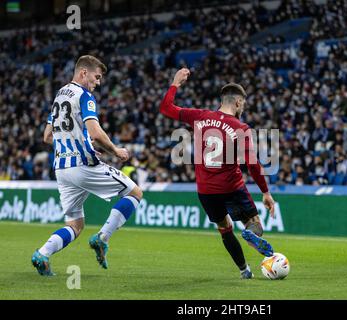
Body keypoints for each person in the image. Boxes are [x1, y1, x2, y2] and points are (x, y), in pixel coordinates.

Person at [159, 68, 276, 279]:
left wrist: (175, 82)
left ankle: (244, 270)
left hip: (205, 191)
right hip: (231, 187)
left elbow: (166, 108)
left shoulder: (200, 117)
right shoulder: (240, 127)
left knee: (224, 228)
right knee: (254, 222)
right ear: (238, 103)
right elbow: (252, 164)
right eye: (244, 104)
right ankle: (251, 233)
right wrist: (265, 192)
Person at [31, 55, 143, 276]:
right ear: (84, 72)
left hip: (62, 168)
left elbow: (46, 136)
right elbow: (95, 131)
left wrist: (75, 142)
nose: (98, 82)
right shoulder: (84, 95)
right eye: (97, 76)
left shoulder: (59, 96)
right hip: (82, 164)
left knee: (75, 224)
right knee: (135, 192)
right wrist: (116, 150)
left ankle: (42, 254)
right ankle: (103, 238)